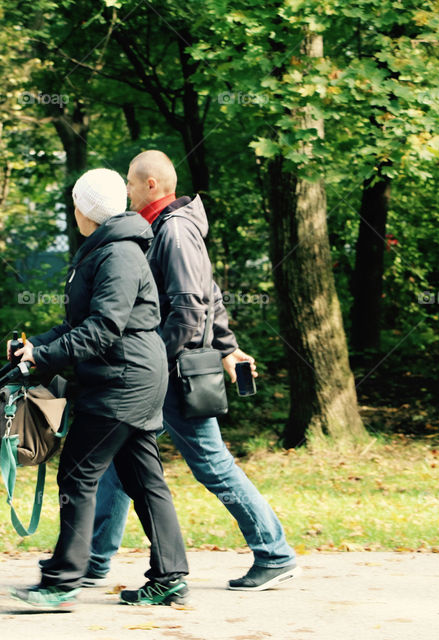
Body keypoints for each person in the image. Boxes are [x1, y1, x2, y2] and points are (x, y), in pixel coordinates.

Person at [84, 150, 298, 592]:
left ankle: (274, 553)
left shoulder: (175, 230)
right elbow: (211, 294)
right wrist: (228, 346)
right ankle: (95, 558)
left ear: (150, 185)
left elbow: (188, 309)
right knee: (118, 459)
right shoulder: (164, 228)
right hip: (170, 369)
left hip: (175, 374)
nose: (124, 189)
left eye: (129, 181)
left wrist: (152, 363)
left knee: (213, 465)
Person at [8, 168, 189, 609]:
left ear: (83, 209)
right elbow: (77, 326)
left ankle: (62, 579)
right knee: (142, 478)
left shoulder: (118, 254)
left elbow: (104, 328)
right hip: (129, 376)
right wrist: (37, 346)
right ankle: (170, 577)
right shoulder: (105, 250)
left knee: (77, 472)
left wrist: (45, 359)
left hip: (121, 381)